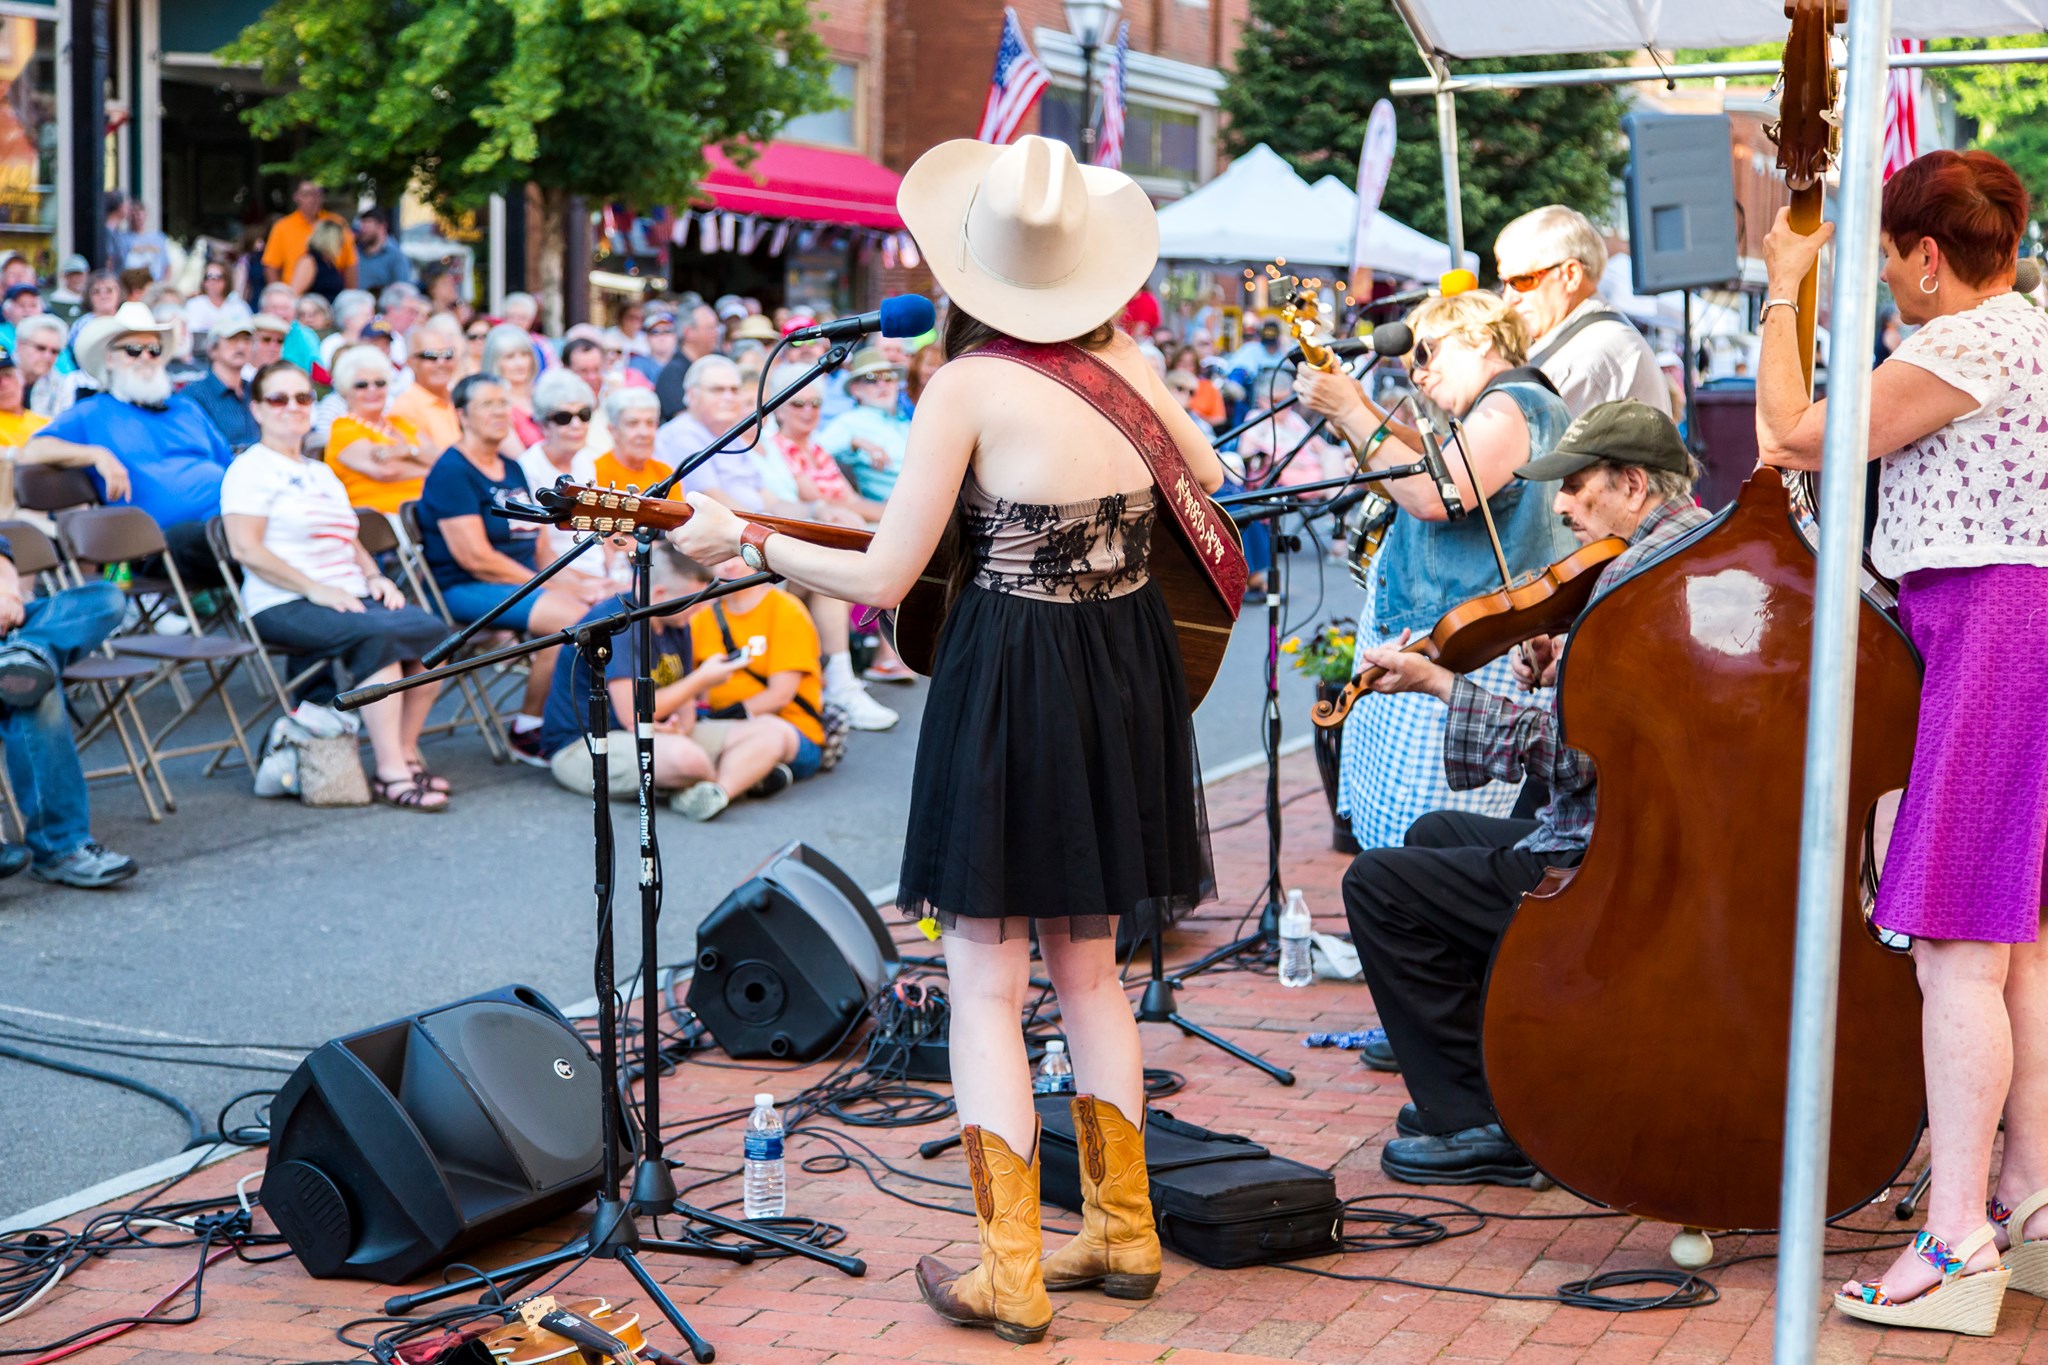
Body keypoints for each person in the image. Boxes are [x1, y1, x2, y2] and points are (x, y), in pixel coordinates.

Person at [670, 134, 1221, 1343]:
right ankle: (1120, 1233)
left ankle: (1009, 1272)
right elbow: (1210, 474)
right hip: (1121, 662)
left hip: (1018, 672)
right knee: (1089, 968)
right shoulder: (1123, 360)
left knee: (982, 975)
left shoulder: (964, 386)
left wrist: (747, 543)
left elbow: (882, 573)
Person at [1749, 150, 2048, 1333]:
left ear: (1927, 259)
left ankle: (1956, 1235)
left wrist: (1782, 285)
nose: (1879, 282)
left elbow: (1786, 434)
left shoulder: (1966, 342)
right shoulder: (2021, 333)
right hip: (2003, 622)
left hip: (1992, 624)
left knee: (1957, 946)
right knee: (2015, 941)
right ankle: (2024, 1202)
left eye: (1883, 260)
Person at [1340, 400, 1710, 1187]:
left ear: (1633, 484)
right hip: (1646, 834)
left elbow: (1575, 758)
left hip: (1614, 864)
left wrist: (1441, 683)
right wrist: (1564, 666)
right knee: (1437, 836)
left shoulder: (1636, 585)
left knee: (1377, 885)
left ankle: (1477, 1120)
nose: (1562, 506)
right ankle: (1511, 1077)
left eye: (1576, 487)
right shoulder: (1682, 547)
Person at [1294, 290, 1581, 852]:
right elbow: (1419, 465)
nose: (1417, 374)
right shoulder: (1491, 410)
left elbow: (1432, 494)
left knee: (1418, 848)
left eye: (1425, 353)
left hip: (1464, 651)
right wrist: (1356, 407)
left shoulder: (1514, 402)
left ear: (1478, 337)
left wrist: (1352, 410)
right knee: (1395, 841)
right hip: (1437, 643)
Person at [220, 361, 450, 811]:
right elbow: (245, 550)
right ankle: (390, 772)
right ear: (258, 410)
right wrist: (314, 588)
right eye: (278, 399)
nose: (292, 407)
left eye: (303, 398)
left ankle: (404, 749)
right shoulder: (250, 470)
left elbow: (348, 538)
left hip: (347, 593)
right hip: (282, 600)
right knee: (379, 635)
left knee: (435, 634)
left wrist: (374, 576)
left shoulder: (320, 472)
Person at [415, 374, 613, 761]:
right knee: (575, 619)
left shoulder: (511, 468)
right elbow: (476, 558)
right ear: (462, 414)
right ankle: (528, 727)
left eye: (503, 403)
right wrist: (551, 587)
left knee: (607, 602)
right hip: (465, 588)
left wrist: (577, 581)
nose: (499, 412)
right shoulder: (452, 471)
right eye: (487, 404)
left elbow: (539, 545)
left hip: (521, 582)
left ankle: (583, 719)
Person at [538, 545, 798, 804]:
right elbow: (632, 714)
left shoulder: (676, 620)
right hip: (586, 744)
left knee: (778, 732)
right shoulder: (618, 623)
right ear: (660, 593)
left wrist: (680, 728)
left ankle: (715, 792)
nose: (701, 611)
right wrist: (702, 680)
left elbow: (685, 709)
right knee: (688, 759)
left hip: (654, 734)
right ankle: (734, 777)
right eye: (693, 603)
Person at [31, 302, 229, 587]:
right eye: (133, 350)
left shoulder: (187, 408)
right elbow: (31, 450)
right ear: (109, 359)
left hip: (232, 519)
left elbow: (230, 468)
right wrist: (96, 454)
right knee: (239, 534)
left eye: (155, 350)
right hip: (157, 542)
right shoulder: (92, 411)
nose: (146, 357)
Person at [0, 532, 138, 886]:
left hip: (10, 629)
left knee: (105, 598)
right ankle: (62, 847)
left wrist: (7, 593)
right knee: (35, 691)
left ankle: (27, 652)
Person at [664, 558, 830, 821]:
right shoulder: (701, 617)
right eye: (720, 559)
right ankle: (750, 775)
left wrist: (722, 718)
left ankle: (717, 791)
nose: (728, 566)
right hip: (725, 728)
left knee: (769, 731)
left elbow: (780, 695)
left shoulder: (786, 610)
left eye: (737, 556)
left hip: (792, 731)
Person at [1493, 205, 1670, 419]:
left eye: (1522, 281)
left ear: (1571, 275)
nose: (1509, 298)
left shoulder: (1592, 353)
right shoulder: (1593, 340)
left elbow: (1522, 441)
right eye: (1504, 284)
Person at [324, 345, 433, 516]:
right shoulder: (343, 427)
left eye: (379, 383)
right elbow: (388, 470)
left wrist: (406, 451)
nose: (372, 390)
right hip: (384, 522)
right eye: (361, 385)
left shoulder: (400, 422)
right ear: (346, 390)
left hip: (428, 508)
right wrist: (428, 466)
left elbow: (439, 457)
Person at [519, 370, 605, 573]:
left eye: (584, 415)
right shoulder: (528, 468)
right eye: (563, 418)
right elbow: (540, 551)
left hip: (598, 572)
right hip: (559, 576)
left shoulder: (586, 460)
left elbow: (600, 527)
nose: (577, 425)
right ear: (543, 425)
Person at [815, 349, 912, 502]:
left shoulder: (903, 419)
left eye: (888, 377)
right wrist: (855, 442)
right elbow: (815, 450)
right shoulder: (849, 421)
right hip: (896, 506)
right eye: (871, 378)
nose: (882, 384)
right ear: (856, 389)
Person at [264, 180, 357, 294]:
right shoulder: (282, 227)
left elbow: (350, 263)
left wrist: (350, 297)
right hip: (296, 295)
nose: (313, 199)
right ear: (296, 197)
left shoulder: (336, 223)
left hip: (330, 288)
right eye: (307, 194)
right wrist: (279, 299)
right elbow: (271, 267)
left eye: (318, 194)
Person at [390, 313, 464, 453]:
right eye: (430, 356)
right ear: (411, 362)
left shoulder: (459, 398)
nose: (441, 363)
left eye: (448, 354)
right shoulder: (405, 408)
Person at [185, 316, 260, 450]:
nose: (241, 346)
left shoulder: (256, 389)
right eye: (232, 339)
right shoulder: (194, 395)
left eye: (247, 340)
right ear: (212, 349)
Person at [653, 302, 723, 421]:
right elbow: (682, 420)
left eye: (716, 327)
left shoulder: (720, 362)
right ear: (689, 332)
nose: (716, 333)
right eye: (710, 328)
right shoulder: (672, 373)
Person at [480, 322, 543, 453]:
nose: (520, 363)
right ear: (495, 362)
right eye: (510, 357)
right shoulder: (496, 406)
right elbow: (519, 460)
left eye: (525, 355)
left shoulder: (542, 394)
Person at [183, 258, 247, 348]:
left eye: (217, 277)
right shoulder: (194, 304)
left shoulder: (238, 306)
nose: (212, 281)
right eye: (208, 277)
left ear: (227, 280)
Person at [17, 316, 73, 417]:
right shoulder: (3, 374)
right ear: (20, 345)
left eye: (54, 351)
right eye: (41, 348)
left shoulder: (60, 385)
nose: (48, 357)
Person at [353, 208, 415, 292]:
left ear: (382, 227)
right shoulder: (355, 251)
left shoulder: (396, 256)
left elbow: (402, 289)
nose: (362, 230)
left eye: (367, 226)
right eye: (362, 225)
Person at [292, 221, 350, 303]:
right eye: (340, 240)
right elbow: (295, 293)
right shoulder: (309, 261)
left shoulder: (329, 263)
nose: (342, 244)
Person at [0, 283, 42, 355]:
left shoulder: (50, 336)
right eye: (21, 305)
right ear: (6, 312)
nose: (27, 310)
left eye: (33, 305)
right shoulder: (1, 336)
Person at [48, 254, 89, 326]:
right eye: (72, 275)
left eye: (79, 274)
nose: (76, 279)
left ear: (86, 274)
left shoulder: (91, 297)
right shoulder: (55, 299)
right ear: (64, 276)